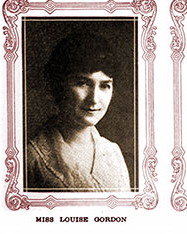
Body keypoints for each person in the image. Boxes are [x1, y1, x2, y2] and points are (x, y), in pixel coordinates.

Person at [26, 33, 130, 192]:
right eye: (82, 83)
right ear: (59, 85)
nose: (94, 99)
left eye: (104, 86)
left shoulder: (112, 152)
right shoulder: (31, 158)